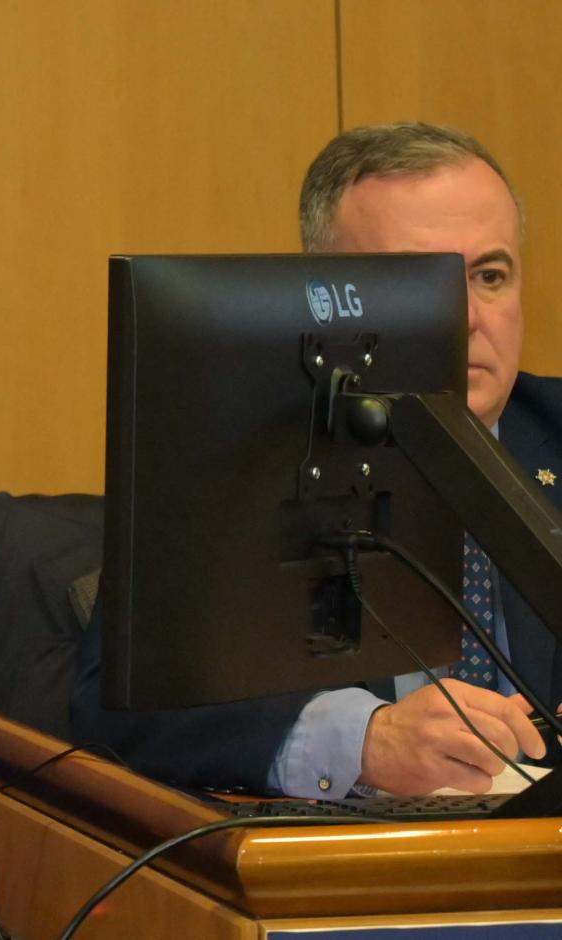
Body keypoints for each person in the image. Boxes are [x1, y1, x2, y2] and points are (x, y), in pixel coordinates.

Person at [76, 122, 559, 796]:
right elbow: (113, 707)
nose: (471, 317)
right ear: (328, 301)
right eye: (422, 283)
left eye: (491, 275)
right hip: (346, 853)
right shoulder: (237, 461)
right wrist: (360, 740)